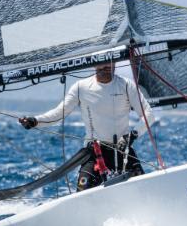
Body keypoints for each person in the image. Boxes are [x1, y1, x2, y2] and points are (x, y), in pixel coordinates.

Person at [18, 59, 155, 191]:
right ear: (94, 64)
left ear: (115, 63)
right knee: (82, 194)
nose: (105, 66)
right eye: (101, 63)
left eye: (109, 62)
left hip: (123, 151)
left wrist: (132, 135)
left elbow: (149, 114)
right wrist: (35, 121)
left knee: (144, 191)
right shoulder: (81, 87)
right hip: (94, 153)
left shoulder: (126, 85)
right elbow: (59, 113)